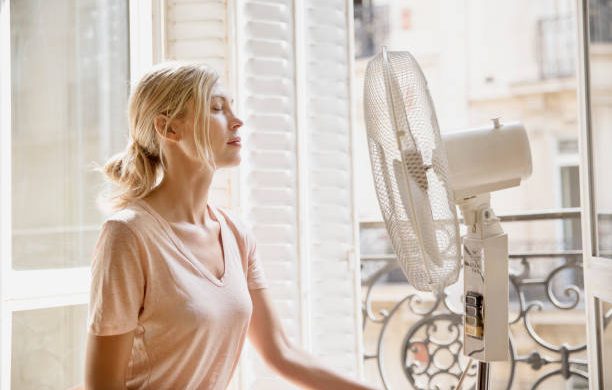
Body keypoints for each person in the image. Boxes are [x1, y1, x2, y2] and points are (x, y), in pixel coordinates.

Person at [84, 62, 376, 390]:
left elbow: (282, 353)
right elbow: (103, 385)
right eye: (217, 108)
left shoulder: (235, 234)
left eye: (231, 107)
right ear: (169, 129)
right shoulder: (128, 235)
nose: (237, 121)